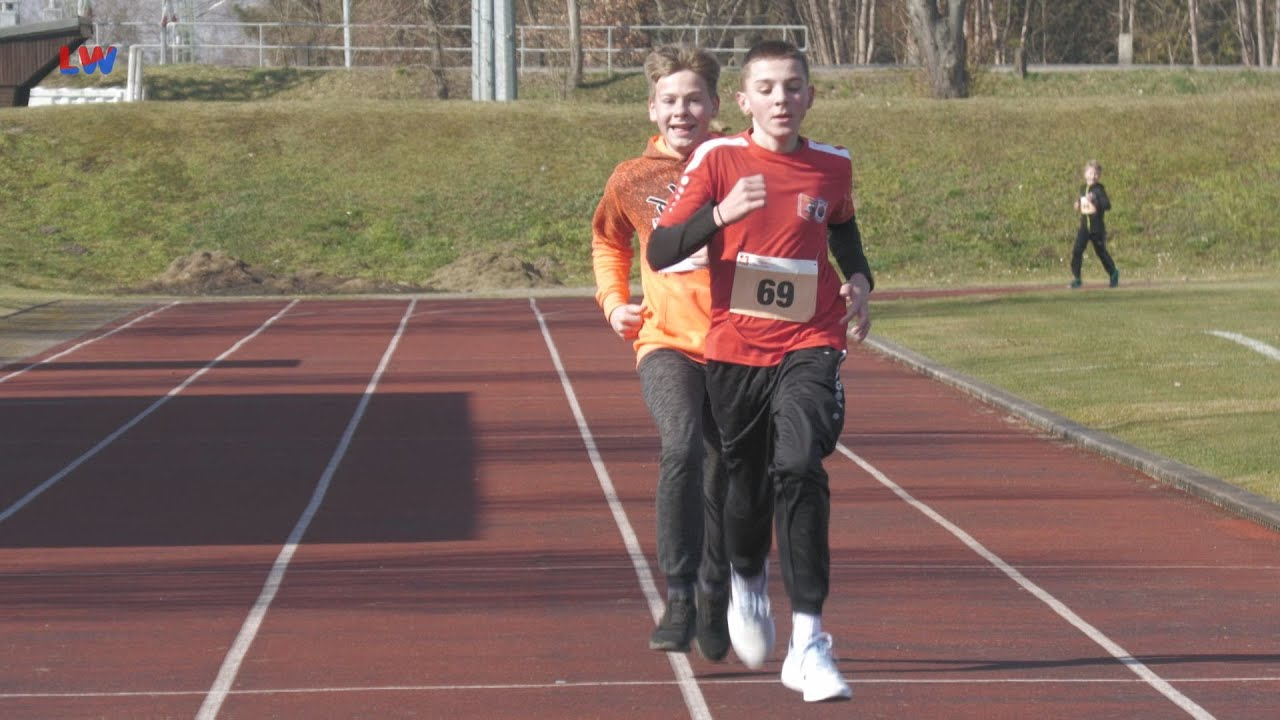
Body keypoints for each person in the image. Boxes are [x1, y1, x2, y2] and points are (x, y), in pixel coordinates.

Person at [647, 39, 873, 703]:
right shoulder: (717, 159)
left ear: (810, 96)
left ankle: (809, 641)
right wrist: (721, 214)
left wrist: (860, 279)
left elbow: (842, 227)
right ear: (743, 101)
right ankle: (747, 580)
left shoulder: (833, 165)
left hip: (811, 339)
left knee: (799, 464)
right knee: (744, 490)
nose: (781, 99)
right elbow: (660, 249)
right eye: (767, 89)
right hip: (735, 351)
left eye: (793, 87)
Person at [590, 45, 732, 662]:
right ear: (652, 108)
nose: (682, 111)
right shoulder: (632, 177)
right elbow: (608, 240)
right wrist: (613, 301)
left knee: (724, 468)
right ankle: (678, 597)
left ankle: (714, 595)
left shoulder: (744, 164)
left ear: (715, 105)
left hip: (737, 347)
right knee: (680, 446)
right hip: (666, 342)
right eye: (670, 100)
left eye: (693, 99)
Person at [1069, 159, 1119, 288]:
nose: (1093, 176)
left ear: (1099, 175)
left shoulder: (1099, 189)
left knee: (1101, 252)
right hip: (1084, 227)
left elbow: (1107, 205)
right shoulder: (1082, 188)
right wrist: (1078, 204)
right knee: (1077, 251)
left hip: (1097, 228)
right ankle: (1077, 278)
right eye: (1091, 173)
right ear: (1085, 174)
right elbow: (1082, 202)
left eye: (1096, 174)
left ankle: (1113, 273)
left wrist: (1095, 200)